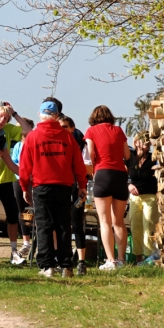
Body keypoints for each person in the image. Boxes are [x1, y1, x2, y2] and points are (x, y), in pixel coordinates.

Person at [19, 102, 87, 277]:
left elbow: (25, 165)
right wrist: (82, 185)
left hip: (41, 185)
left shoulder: (33, 137)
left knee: (44, 226)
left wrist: (24, 186)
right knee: (64, 225)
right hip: (64, 185)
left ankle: (47, 266)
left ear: (40, 115)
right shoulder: (67, 136)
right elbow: (78, 163)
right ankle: (66, 266)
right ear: (57, 116)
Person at [0, 100, 32, 266]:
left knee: (13, 216)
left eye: (5, 118)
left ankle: (14, 252)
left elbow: (28, 131)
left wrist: (14, 114)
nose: (2, 120)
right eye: (0, 116)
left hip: (6, 177)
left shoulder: (7, 131)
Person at [84, 105, 130, 271]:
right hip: (120, 175)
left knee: (104, 221)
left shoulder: (91, 131)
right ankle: (121, 259)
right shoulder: (118, 130)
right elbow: (127, 155)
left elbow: (90, 154)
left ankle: (110, 260)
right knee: (119, 221)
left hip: (102, 173)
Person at [59, 115, 93, 275]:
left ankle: (81, 262)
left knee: (77, 224)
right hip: (61, 185)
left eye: (65, 126)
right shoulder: (57, 143)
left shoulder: (81, 143)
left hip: (77, 186)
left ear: (72, 128)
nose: (63, 129)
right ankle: (63, 260)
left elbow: (88, 168)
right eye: (60, 127)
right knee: (61, 225)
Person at [127, 132, 159, 265]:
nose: (146, 142)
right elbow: (123, 174)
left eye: (148, 140)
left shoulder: (153, 157)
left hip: (150, 196)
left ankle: (149, 258)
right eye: (143, 140)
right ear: (136, 143)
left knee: (149, 226)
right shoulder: (130, 158)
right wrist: (128, 185)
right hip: (135, 198)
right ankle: (138, 258)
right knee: (136, 227)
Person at [10, 117, 35, 265]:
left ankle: (38, 240)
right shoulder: (18, 145)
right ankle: (26, 242)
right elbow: (14, 161)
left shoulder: (34, 144)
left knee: (36, 212)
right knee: (23, 211)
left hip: (34, 181)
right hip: (19, 180)